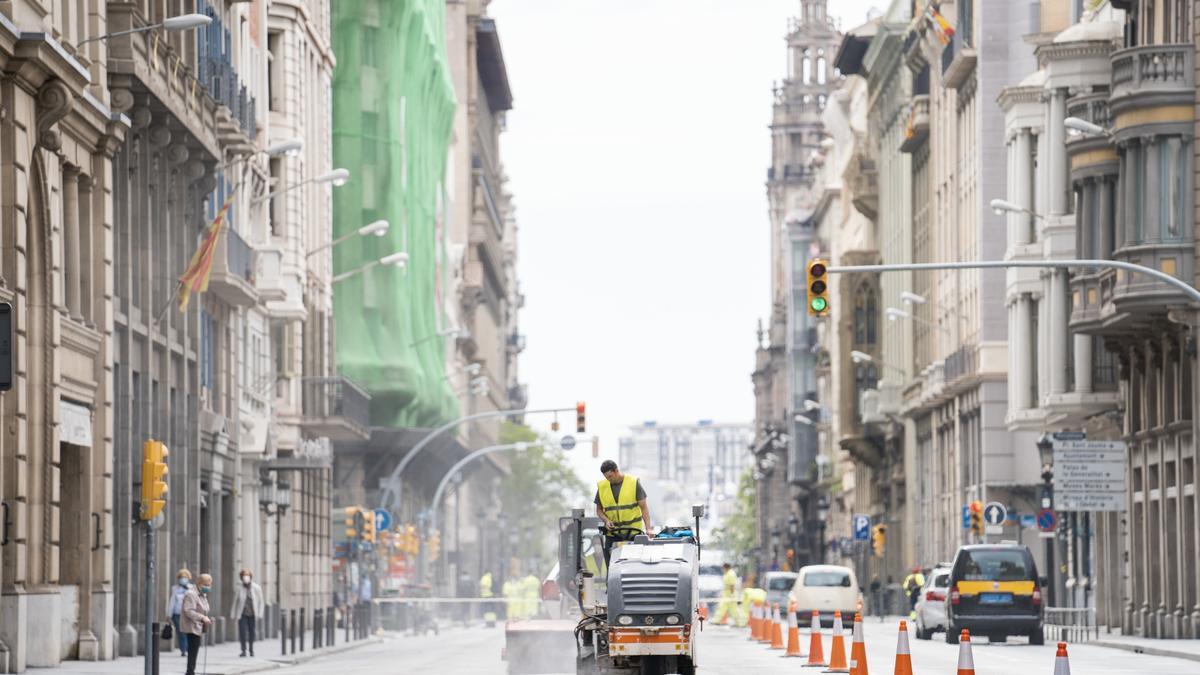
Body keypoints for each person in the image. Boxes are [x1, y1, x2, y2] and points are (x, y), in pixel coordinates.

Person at [593, 460, 651, 563]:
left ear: (616, 471)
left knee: (636, 563)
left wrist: (648, 529)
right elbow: (599, 510)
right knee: (610, 564)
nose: (608, 480)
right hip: (613, 533)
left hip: (634, 532)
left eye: (610, 476)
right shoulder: (602, 487)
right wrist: (606, 521)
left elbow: (644, 508)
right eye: (606, 477)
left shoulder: (633, 483)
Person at [181, 573, 213, 675]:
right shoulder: (191, 594)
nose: (208, 587)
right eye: (206, 584)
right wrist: (202, 617)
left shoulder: (202, 594)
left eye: (209, 585)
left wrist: (206, 618)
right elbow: (188, 611)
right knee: (193, 650)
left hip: (198, 626)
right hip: (192, 626)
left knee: (194, 650)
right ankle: (190, 672)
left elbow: (204, 608)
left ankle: (191, 671)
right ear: (199, 583)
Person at [230, 568, 264, 657]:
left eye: (248, 576)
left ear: (250, 577)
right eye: (244, 576)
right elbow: (235, 602)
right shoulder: (239, 588)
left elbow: (261, 601)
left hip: (253, 614)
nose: (246, 577)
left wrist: (260, 614)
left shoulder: (256, 588)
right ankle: (243, 650)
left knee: (252, 632)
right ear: (241, 577)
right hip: (242, 614)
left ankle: (251, 649)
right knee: (242, 632)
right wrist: (233, 614)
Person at [167, 569, 192, 657]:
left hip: (188, 614)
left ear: (188, 578)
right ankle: (183, 650)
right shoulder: (175, 588)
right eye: (181, 577)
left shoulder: (191, 588)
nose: (183, 579)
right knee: (181, 632)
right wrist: (169, 615)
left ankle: (189, 648)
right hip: (177, 614)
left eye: (185, 577)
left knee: (188, 632)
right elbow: (172, 602)